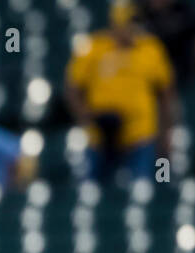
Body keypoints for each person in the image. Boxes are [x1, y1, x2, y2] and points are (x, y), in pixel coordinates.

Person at [65, 0, 175, 181]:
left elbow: (166, 94)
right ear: (114, 23)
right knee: (93, 191)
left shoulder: (150, 48)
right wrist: (86, 117)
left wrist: (166, 133)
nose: (129, 28)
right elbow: (73, 89)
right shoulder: (93, 47)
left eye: (133, 22)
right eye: (124, 23)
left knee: (141, 188)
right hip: (100, 135)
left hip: (140, 134)